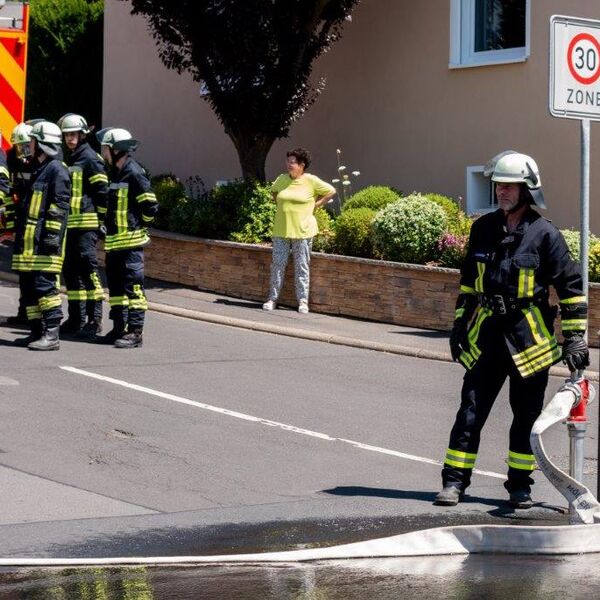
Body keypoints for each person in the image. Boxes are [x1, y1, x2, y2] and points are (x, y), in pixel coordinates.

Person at [435, 151, 589, 509]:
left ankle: (519, 486)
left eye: (509, 186)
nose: (501, 191)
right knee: (470, 412)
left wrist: (576, 337)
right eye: (498, 184)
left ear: (527, 190)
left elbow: (571, 289)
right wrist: (459, 326)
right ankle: (454, 482)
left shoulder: (546, 235)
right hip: (486, 336)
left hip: (529, 339)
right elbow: (469, 285)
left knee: (525, 418)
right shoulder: (482, 229)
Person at [10, 121, 71, 350]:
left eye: (33, 141)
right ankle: (35, 331)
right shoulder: (39, 168)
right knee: (29, 288)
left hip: (45, 245)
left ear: (42, 144)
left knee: (45, 289)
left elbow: (59, 208)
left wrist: (51, 238)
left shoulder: (57, 169)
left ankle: (52, 334)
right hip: (29, 244)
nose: (30, 144)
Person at [96, 127, 158, 348]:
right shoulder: (116, 173)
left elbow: (150, 204)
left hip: (131, 244)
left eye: (105, 148)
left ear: (115, 149)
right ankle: (118, 328)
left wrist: (139, 226)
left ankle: (135, 333)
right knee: (116, 290)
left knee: (134, 289)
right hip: (114, 244)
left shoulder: (134, 172)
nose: (102, 152)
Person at [263, 148, 335, 314]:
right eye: (288, 161)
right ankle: (272, 299)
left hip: (302, 231)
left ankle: (303, 302)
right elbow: (274, 193)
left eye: (293, 162)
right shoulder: (281, 179)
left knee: (302, 267)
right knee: (278, 266)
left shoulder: (311, 181)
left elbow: (331, 191)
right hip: (281, 230)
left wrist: (316, 204)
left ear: (302, 165)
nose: (289, 164)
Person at [57, 113, 108, 340]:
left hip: (86, 225)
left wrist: (101, 222)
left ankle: (94, 320)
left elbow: (103, 192)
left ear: (82, 134)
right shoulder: (72, 158)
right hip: (71, 225)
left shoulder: (90, 158)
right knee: (70, 271)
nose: (70, 138)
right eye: (67, 135)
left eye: (73, 134)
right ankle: (75, 318)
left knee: (89, 271)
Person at [2, 122, 34, 325]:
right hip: (22, 220)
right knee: (22, 269)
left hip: (36, 223)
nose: (22, 151)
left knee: (35, 272)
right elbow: (8, 193)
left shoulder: (43, 162)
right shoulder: (11, 159)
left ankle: (36, 317)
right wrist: (10, 225)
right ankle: (24, 314)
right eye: (18, 146)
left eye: (25, 146)